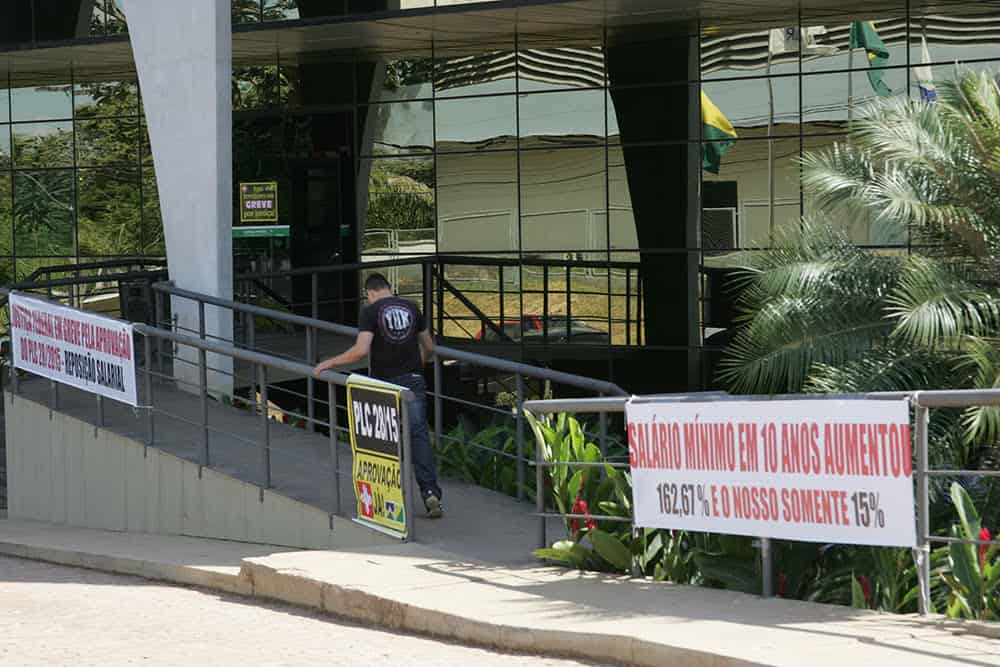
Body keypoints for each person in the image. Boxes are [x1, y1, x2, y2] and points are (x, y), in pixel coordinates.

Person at [313, 273, 443, 518]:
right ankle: (429, 493)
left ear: (369, 293)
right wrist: (421, 365)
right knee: (418, 438)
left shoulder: (370, 311)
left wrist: (329, 363)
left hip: (384, 385)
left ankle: (387, 500)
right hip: (413, 382)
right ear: (389, 288)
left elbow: (361, 350)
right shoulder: (412, 307)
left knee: (382, 441)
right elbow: (429, 347)